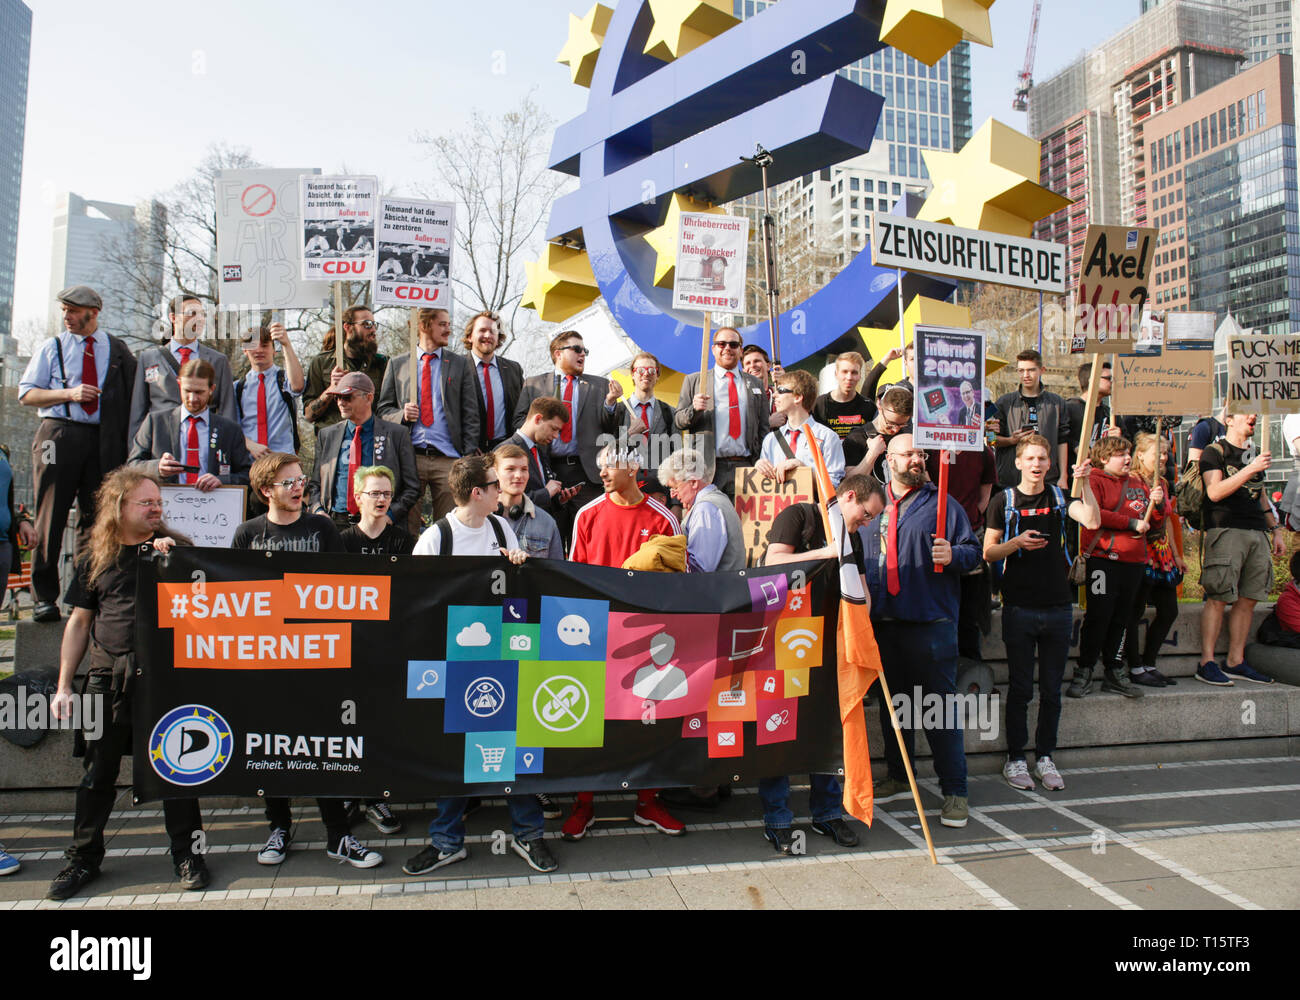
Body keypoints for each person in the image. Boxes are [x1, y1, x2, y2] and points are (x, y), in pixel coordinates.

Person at [46, 468, 208, 899]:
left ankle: (188, 853)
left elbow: (205, 614)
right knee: (96, 773)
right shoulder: (93, 555)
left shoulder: (180, 551)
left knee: (178, 770)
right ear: (119, 506)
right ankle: (82, 860)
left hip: (166, 681)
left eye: (159, 502)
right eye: (146, 502)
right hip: (104, 681)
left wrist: (175, 565)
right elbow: (79, 624)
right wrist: (65, 685)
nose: (156, 508)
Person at [403, 456, 552, 875]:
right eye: (494, 484)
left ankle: (528, 834)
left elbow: (517, 588)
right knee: (454, 753)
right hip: (453, 663)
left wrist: (519, 566)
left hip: (502, 657)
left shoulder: (501, 526)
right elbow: (416, 599)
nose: (501, 489)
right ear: (477, 492)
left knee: (513, 746)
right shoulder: (437, 537)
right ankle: (447, 841)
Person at [233, 452, 383, 868]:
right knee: (269, 744)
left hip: (318, 655)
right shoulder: (247, 533)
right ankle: (278, 828)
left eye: (302, 481)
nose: (299, 488)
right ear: (266, 491)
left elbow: (342, 586)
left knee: (323, 744)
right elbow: (235, 597)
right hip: (266, 659)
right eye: (288, 483)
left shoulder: (321, 527)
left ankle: (339, 835)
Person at [756, 473, 884, 850]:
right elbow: (772, 562)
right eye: (865, 512)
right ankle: (777, 817)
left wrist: (861, 622)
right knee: (777, 730)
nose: (867, 521)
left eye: (873, 517)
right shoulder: (798, 516)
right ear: (847, 497)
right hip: (783, 644)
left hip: (830, 646)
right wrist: (826, 553)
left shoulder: (854, 537)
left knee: (829, 729)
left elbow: (860, 589)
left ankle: (828, 814)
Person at [562, 444, 684, 840]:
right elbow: (573, 580)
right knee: (590, 723)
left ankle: (648, 802)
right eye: (598, 467)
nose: (602, 473)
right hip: (596, 635)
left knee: (648, 721)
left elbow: (679, 579)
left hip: (648, 636)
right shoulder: (587, 513)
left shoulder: (663, 517)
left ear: (633, 467)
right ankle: (584, 802)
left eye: (610, 466)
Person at [863, 434, 981, 829]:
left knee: (939, 712)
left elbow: (973, 553)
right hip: (883, 624)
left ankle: (955, 792)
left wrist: (955, 555)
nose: (917, 459)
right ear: (889, 460)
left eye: (920, 453)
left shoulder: (943, 502)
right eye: (908, 453)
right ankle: (899, 775)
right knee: (894, 712)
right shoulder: (874, 504)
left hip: (930, 625)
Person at [983, 435, 1100, 793]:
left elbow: (1092, 521)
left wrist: (1088, 483)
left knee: (1052, 690)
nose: (1036, 464)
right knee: (1020, 689)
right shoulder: (1004, 500)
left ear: (1050, 463)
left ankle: (1045, 755)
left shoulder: (1062, 498)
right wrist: (1017, 543)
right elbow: (988, 552)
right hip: (1019, 608)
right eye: (1030, 458)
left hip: (1058, 608)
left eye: (1042, 458)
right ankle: (1015, 757)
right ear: (1018, 462)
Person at [19, 286, 137, 623]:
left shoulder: (116, 349)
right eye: (64, 311)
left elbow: (135, 392)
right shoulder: (51, 347)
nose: (67, 317)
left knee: (96, 516)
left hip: (101, 439)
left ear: (93, 312)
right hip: (56, 433)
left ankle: (83, 594)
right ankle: (44, 597)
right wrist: (68, 393)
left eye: (74, 311)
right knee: (50, 512)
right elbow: (26, 394)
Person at [1066, 435, 1161, 700]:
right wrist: (1130, 524)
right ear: (1104, 458)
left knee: (1123, 617)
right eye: (1120, 454)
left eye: (1128, 453)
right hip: (1103, 560)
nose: (1128, 458)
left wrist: (1158, 502)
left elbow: (1150, 518)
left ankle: (1114, 669)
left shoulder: (1138, 482)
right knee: (1099, 615)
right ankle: (1084, 670)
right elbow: (1095, 515)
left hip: (1133, 563)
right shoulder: (1094, 480)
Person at [376, 307, 480, 532]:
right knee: (407, 527)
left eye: (448, 324)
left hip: (449, 459)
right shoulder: (398, 364)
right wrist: (401, 415)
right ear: (424, 326)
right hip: (410, 457)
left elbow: (471, 413)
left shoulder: (459, 364)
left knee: (450, 526)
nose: (449, 330)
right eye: (442, 324)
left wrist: (468, 457)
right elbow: (383, 410)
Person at [1197, 412, 1280, 686]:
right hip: (1226, 528)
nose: (1253, 416)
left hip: (1257, 530)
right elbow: (1215, 492)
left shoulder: (1254, 453)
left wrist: (1275, 529)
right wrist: (1250, 468)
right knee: (1219, 595)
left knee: (1249, 598)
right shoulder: (1214, 451)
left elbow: (1261, 493)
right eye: (1246, 411)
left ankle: (1235, 660)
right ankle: (1207, 662)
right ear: (1229, 419)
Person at [513, 330, 622, 532]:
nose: (583, 354)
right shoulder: (533, 384)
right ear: (558, 353)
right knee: (551, 533)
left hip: (586, 474)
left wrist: (610, 404)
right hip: (546, 471)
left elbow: (611, 429)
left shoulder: (600, 385)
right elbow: (520, 422)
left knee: (590, 534)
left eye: (585, 351)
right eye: (577, 349)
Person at [309, 372, 419, 534]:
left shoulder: (396, 434)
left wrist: (390, 516)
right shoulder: (327, 435)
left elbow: (412, 487)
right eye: (337, 398)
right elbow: (315, 484)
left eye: (347, 397)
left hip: (380, 523)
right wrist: (318, 510)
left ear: (368, 398)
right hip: (336, 523)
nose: (341, 403)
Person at [128, 358, 252, 491]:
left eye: (199, 392)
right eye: (187, 391)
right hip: (167, 503)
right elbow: (132, 466)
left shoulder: (229, 429)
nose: (192, 399)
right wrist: (157, 468)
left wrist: (222, 480)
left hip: (213, 504)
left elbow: (246, 475)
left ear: (211, 389)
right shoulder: (156, 422)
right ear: (179, 384)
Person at [128, 295, 238, 443]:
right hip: (160, 440)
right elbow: (138, 411)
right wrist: (135, 452)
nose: (199, 319)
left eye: (202, 314)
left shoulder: (218, 361)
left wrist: (227, 447)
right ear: (173, 317)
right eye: (192, 313)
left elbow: (228, 409)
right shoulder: (148, 359)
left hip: (203, 440)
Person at [673, 327, 767, 499]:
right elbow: (679, 421)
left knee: (742, 524)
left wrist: (760, 461)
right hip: (709, 469)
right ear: (713, 349)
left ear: (740, 350)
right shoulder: (695, 381)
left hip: (746, 467)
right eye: (721, 344)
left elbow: (763, 428)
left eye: (733, 344)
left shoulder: (755, 384)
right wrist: (693, 410)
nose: (727, 348)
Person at [1123, 433, 1185, 688]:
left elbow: (1169, 521)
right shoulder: (1130, 481)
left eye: (1165, 453)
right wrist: (1152, 502)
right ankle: (1135, 666)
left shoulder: (1163, 483)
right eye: (1157, 453)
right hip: (1140, 550)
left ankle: (1149, 662)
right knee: (1134, 610)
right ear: (1140, 454)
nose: (1163, 458)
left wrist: (1177, 554)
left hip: (1162, 553)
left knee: (1169, 609)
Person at [926, 443, 996, 662]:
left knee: (970, 611)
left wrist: (964, 521)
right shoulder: (929, 446)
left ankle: (970, 671)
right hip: (933, 535)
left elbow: (984, 497)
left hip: (970, 534)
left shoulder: (983, 452)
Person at [302, 305, 390, 434]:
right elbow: (309, 415)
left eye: (374, 324)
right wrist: (331, 390)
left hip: (371, 440)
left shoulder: (383, 363)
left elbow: (387, 408)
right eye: (367, 324)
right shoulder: (322, 363)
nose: (373, 330)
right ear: (348, 327)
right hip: (333, 443)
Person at [991, 349, 1070, 489]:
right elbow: (990, 439)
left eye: (1031, 370)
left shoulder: (1057, 403)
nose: (1025, 375)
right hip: (1011, 479)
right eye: (1021, 371)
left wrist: (1063, 476)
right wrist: (1010, 440)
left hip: (1048, 479)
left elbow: (1063, 441)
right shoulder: (1003, 402)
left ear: (1042, 370)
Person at [657, 447, 745, 573]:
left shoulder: (705, 509)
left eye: (675, 488)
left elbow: (699, 567)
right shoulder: (715, 501)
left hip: (716, 590)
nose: (673, 495)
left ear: (693, 482)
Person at [756, 368, 845, 487]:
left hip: (812, 504)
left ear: (797, 397)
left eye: (781, 390)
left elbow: (834, 484)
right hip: (779, 504)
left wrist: (803, 470)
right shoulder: (771, 439)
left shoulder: (827, 437)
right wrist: (759, 468)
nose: (775, 395)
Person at [235, 322, 305, 460]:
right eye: (253, 346)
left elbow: (297, 386)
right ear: (245, 350)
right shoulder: (237, 388)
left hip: (283, 460)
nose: (259, 350)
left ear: (274, 350)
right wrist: (249, 444)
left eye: (265, 345)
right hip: (250, 462)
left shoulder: (284, 379)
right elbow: (232, 427)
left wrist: (286, 344)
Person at [616, 351, 676, 502]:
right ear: (632, 374)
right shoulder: (618, 411)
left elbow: (676, 457)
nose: (646, 374)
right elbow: (610, 452)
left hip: (660, 491)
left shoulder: (669, 412)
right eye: (640, 370)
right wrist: (630, 434)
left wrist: (676, 503)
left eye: (651, 370)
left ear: (657, 375)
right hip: (627, 490)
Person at [507, 396, 579, 517]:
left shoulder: (540, 450)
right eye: (554, 429)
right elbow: (506, 500)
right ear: (538, 419)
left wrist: (559, 499)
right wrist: (545, 494)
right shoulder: (506, 451)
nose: (556, 436)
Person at [463, 311, 522, 452]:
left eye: (493, 331)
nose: (488, 336)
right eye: (482, 330)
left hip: (506, 450)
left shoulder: (514, 369)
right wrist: (468, 445)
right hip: (469, 452)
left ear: (498, 338)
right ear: (470, 336)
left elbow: (521, 410)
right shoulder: (457, 367)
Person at [494, 443, 563, 560]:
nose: (519, 475)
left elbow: (556, 573)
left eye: (524, 469)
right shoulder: (480, 520)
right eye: (510, 469)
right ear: (494, 473)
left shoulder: (547, 522)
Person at [812, 351, 876, 468]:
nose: (849, 377)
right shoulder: (819, 404)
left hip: (859, 468)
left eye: (854, 372)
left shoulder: (869, 406)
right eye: (844, 372)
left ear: (860, 376)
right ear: (836, 374)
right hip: (827, 468)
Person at [340, 465, 414, 556]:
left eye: (387, 494)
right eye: (375, 493)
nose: (382, 499)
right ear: (358, 498)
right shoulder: (343, 541)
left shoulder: (404, 542)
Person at [849, 386, 912, 484]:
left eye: (902, 424)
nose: (895, 429)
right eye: (890, 423)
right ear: (879, 406)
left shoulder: (908, 437)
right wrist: (872, 454)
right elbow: (849, 482)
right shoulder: (857, 438)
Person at [1064, 360, 1112, 474]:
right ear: (1093, 380)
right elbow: (1059, 437)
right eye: (1108, 378)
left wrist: (1118, 437)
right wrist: (1075, 445)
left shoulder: (1109, 413)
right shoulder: (1069, 408)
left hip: (1101, 476)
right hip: (1075, 476)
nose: (1111, 382)